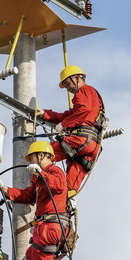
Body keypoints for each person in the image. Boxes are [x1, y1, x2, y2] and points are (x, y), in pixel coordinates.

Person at [0, 140, 68, 260]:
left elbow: (59, 185)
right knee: (31, 256)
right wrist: (4, 189)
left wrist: (41, 172)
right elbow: (28, 196)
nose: (32, 160)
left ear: (43, 156)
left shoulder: (54, 171)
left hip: (50, 228)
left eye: (33, 157)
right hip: (46, 228)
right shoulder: (40, 179)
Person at [38, 65, 106, 196]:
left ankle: (37, 188)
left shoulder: (84, 91)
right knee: (69, 188)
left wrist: (64, 124)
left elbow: (82, 110)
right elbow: (68, 115)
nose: (68, 88)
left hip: (80, 140)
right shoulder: (93, 97)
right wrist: (45, 114)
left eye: (68, 83)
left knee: (41, 155)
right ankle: (67, 203)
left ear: (77, 78)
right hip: (93, 147)